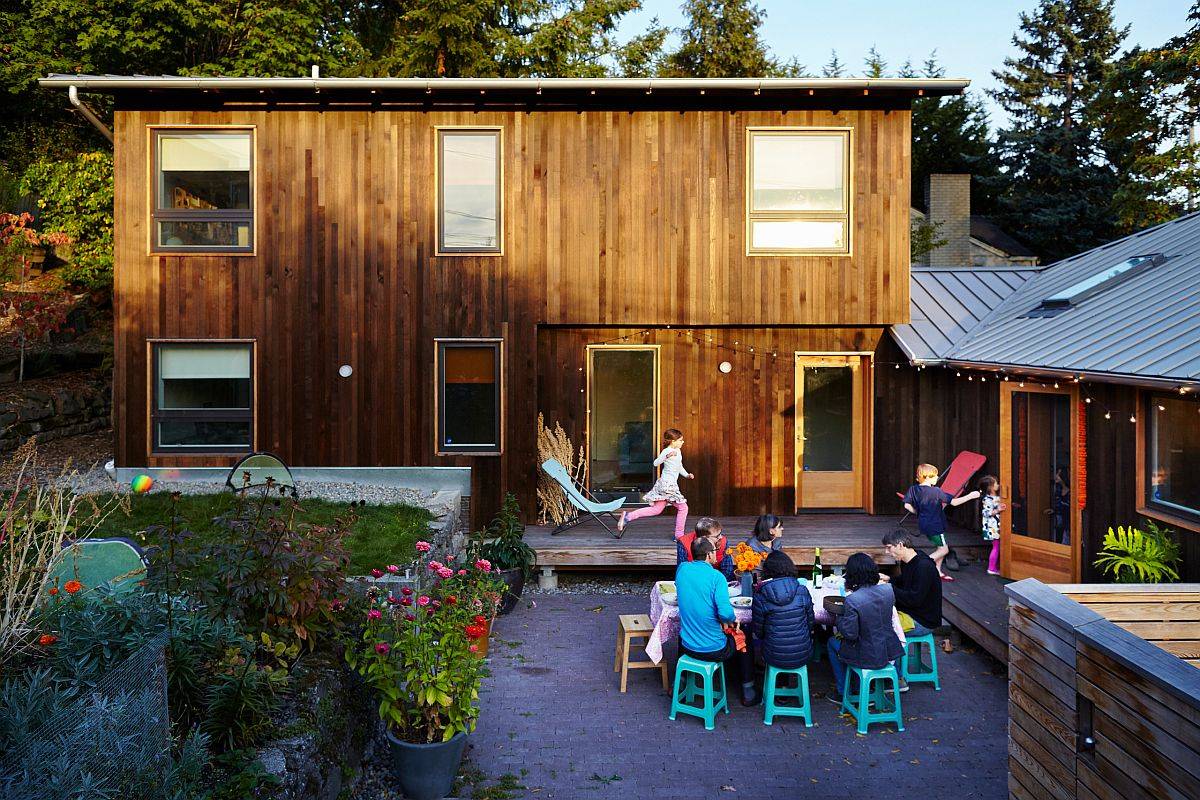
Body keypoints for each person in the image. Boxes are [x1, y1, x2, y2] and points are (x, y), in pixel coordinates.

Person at [676, 536, 758, 705]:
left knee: (684, 631)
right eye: (715, 551)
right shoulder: (716, 577)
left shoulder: (682, 569)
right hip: (714, 649)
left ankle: (680, 684)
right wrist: (732, 620)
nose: (717, 554)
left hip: (687, 646)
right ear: (708, 555)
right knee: (745, 636)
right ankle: (748, 690)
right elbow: (725, 614)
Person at [827, 553, 905, 704]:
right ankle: (864, 687)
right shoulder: (888, 590)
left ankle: (844, 692)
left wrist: (839, 617)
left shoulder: (853, 600)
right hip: (889, 649)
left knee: (832, 642)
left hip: (867, 654)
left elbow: (850, 634)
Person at [902, 463, 981, 582]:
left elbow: (907, 505)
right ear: (927, 477)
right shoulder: (936, 491)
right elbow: (953, 502)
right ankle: (919, 565)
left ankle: (937, 571)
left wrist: (918, 512)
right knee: (944, 550)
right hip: (936, 526)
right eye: (935, 476)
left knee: (940, 547)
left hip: (924, 524)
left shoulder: (913, 489)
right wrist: (970, 496)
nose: (937, 478)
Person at [618, 428, 693, 539]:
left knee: (656, 510)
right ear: (673, 441)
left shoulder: (678, 451)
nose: (682, 442)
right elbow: (656, 463)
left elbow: (679, 467)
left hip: (667, 484)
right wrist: (666, 456)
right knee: (683, 508)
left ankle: (628, 517)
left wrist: (687, 475)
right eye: (680, 440)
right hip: (667, 485)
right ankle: (679, 535)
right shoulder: (667, 451)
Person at [751, 551, 815, 669]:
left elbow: (758, 632)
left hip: (773, 655)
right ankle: (784, 685)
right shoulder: (802, 590)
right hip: (803, 653)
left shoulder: (760, 595)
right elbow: (810, 624)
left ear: (767, 571)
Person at [979, 475, 1005, 575]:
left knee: (997, 546)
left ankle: (994, 566)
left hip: (997, 526)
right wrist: (998, 510)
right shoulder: (987, 499)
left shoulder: (996, 497)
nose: (998, 485)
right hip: (993, 527)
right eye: (996, 484)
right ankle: (991, 568)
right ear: (990, 487)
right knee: (996, 547)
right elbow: (986, 512)